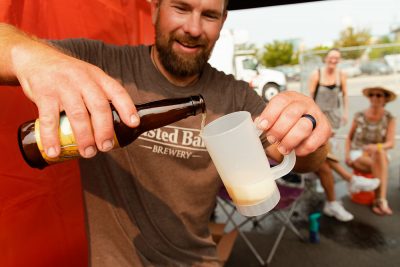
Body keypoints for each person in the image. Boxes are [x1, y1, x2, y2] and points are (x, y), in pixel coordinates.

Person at [0, 0, 331, 266]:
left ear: (222, 23)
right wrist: (30, 56)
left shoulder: (235, 96)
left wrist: (308, 131)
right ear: (155, 9)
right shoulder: (101, 62)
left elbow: (301, 159)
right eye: (181, 8)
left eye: (210, 15)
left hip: (195, 259)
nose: (193, 28)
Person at [308, 48, 380, 222]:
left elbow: (345, 95)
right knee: (324, 155)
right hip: (318, 118)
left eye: (337, 58)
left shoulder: (342, 75)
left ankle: (340, 191)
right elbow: (310, 99)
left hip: (333, 117)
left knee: (327, 155)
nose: (334, 60)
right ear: (326, 59)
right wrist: (316, 122)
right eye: (332, 57)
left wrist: (346, 113)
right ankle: (351, 180)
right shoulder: (316, 74)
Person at [345, 86, 396, 216]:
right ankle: (381, 200)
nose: (374, 97)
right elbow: (349, 138)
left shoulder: (390, 117)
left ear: (385, 99)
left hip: (378, 153)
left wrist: (376, 147)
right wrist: (346, 155)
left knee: (380, 154)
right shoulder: (360, 115)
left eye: (379, 95)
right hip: (358, 152)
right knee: (380, 164)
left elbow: (391, 143)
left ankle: (378, 199)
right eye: (372, 95)